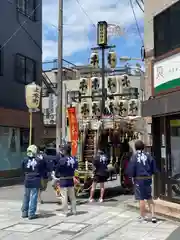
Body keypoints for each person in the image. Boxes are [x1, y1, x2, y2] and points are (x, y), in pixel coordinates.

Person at [127, 140, 157, 223]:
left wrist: (131, 176)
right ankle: (153, 216)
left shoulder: (134, 157)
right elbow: (153, 167)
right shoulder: (148, 155)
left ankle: (143, 216)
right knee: (149, 196)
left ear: (136, 148)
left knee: (141, 198)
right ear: (143, 147)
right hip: (148, 178)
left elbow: (131, 169)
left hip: (139, 179)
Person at [21, 145, 45, 219]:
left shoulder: (24, 160)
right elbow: (42, 170)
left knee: (26, 196)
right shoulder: (39, 160)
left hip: (27, 179)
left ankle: (24, 212)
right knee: (34, 197)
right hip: (36, 180)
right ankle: (31, 213)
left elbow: (22, 169)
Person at [55, 142, 78, 216]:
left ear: (65, 151)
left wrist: (57, 175)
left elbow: (57, 170)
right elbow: (76, 168)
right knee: (72, 196)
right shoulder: (74, 159)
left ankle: (65, 212)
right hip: (71, 179)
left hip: (63, 179)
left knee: (64, 197)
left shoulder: (62, 160)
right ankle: (74, 210)